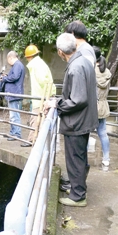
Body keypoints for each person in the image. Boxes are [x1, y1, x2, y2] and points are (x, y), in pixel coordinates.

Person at [45, 33, 98, 207]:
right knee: (80, 158)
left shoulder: (75, 67)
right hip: (84, 120)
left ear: (60, 52)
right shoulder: (83, 61)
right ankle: (78, 188)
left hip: (76, 122)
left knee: (75, 159)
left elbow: (78, 99)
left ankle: (78, 196)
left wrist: (57, 104)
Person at [24, 44, 56, 145]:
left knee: (37, 120)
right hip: (42, 96)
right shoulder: (40, 64)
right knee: (38, 120)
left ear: (29, 57)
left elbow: (45, 82)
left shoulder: (36, 66)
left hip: (40, 98)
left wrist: (47, 98)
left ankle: (34, 142)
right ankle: (33, 140)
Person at [93, 46, 112, 170]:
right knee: (103, 133)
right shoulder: (107, 72)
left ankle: (82, 157)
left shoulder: (91, 70)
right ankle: (106, 159)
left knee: (84, 133)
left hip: (92, 106)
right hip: (103, 105)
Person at [0, 51, 25, 141]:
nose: (8, 63)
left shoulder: (17, 65)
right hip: (13, 93)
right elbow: (14, 76)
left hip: (14, 93)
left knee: (14, 115)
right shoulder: (17, 66)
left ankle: (16, 134)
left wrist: (5, 78)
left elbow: (15, 77)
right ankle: (13, 132)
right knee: (12, 115)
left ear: (10, 58)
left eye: (8, 60)